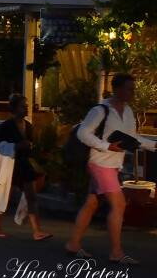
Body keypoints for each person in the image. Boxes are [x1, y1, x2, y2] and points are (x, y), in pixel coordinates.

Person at [66, 73, 157, 265]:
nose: (132, 92)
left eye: (133, 89)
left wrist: (153, 145)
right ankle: (116, 252)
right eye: (129, 89)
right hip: (100, 163)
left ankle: (73, 244)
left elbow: (133, 139)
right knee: (119, 204)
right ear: (117, 89)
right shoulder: (100, 110)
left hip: (113, 165)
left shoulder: (129, 111)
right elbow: (83, 133)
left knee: (91, 204)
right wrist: (107, 146)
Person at [0, 94, 51, 241]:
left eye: (26, 105)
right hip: (10, 164)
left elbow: (32, 146)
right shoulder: (6, 126)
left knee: (31, 196)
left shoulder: (28, 126)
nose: (26, 108)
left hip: (24, 164)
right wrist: (16, 146)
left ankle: (37, 231)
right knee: (5, 196)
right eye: (23, 106)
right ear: (14, 108)